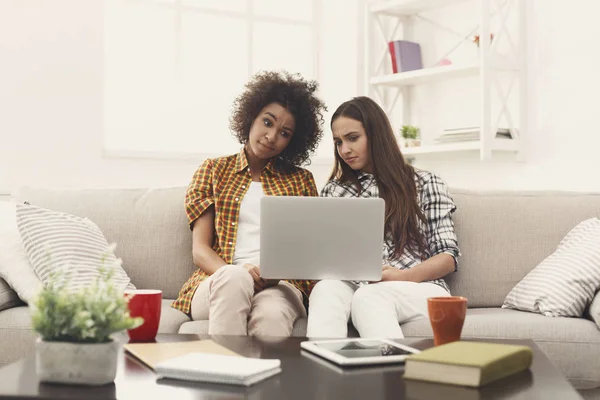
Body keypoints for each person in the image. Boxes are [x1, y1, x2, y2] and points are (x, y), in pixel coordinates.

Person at [171, 71, 326, 337]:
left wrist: (276, 275)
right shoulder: (213, 170)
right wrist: (240, 273)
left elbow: (307, 252)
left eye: (284, 132)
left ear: (293, 141)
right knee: (235, 278)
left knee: (272, 314)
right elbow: (200, 250)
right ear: (251, 117)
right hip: (217, 279)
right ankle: (226, 372)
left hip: (279, 285)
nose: (271, 136)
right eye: (267, 122)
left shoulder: (300, 181)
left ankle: (270, 378)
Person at [306, 96, 460, 339]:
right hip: (353, 285)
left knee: (369, 297)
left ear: (376, 135)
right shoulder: (334, 191)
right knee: (325, 290)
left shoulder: (426, 183)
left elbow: (447, 257)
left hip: (416, 287)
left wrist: (404, 276)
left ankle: (391, 376)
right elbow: (327, 256)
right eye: (338, 142)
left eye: (353, 138)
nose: (344, 149)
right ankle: (323, 376)